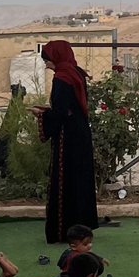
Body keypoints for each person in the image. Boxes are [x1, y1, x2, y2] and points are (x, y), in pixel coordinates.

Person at [32, 41, 99, 244]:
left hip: (68, 136)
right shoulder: (76, 72)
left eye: (48, 60)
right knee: (79, 179)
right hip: (80, 131)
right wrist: (49, 109)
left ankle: (64, 231)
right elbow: (70, 107)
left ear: (57, 57)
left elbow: (61, 112)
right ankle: (82, 229)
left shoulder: (61, 78)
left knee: (65, 179)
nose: (46, 65)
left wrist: (41, 115)